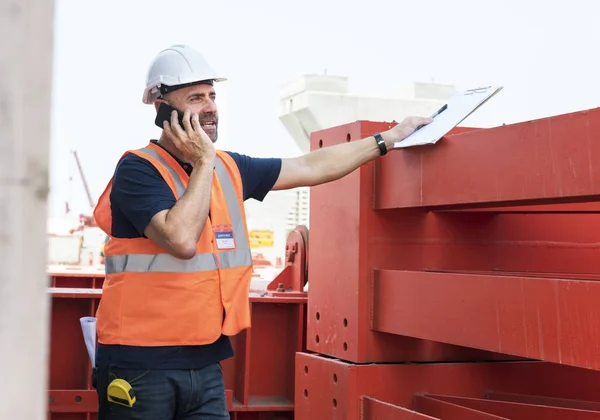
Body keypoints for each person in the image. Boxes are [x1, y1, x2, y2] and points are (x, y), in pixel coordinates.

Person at [92, 44, 432, 420]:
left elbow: (310, 166)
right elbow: (181, 239)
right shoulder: (138, 171)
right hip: (140, 366)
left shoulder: (228, 168)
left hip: (205, 363)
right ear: (162, 110)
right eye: (195, 98)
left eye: (212, 96)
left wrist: (388, 139)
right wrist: (204, 160)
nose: (210, 107)